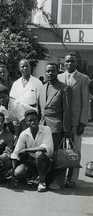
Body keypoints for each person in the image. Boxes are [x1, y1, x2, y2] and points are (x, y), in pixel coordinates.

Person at [58, 52, 90, 187]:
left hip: (76, 122)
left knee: (75, 151)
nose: (70, 64)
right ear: (63, 63)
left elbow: (85, 102)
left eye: (72, 61)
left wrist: (83, 122)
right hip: (60, 121)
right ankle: (59, 178)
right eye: (68, 61)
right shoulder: (58, 77)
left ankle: (72, 178)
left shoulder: (83, 79)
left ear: (77, 63)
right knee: (59, 150)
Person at [38, 63, 71, 189]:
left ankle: (57, 180)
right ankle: (44, 178)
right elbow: (39, 108)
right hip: (43, 125)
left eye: (52, 71)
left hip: (57, 126)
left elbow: (67, 111)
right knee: (44, 153)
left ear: (58, 71)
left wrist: (66, 130)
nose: (50, 73)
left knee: (57, 154)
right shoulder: (42, 87)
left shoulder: (64, 88)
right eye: (47, 71)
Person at [11, 109, 54, 192]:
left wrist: (27, 150)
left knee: (39, 154)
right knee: (17, 173)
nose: (33, 122)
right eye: (30, 121)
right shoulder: (24, 133)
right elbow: (15, 154)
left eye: (34, 120)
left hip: (46, 162)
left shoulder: (46, 129)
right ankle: (32, 177)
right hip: (32, 163)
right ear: (26, 123)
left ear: (38, 120)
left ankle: (42, 181)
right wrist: (13, 175)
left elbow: (44, 148)